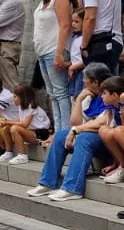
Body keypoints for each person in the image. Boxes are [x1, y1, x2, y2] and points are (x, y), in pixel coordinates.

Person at [27, 63, 114, 202]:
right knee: (61, 135)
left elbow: (103, 122)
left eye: (86, 79)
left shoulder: (111, 93)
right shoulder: (89, 96)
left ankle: (72, 188)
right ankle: (48, 183)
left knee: (83, 138)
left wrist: (76, 131)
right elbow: (75, 123)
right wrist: (79, 100)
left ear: (96, 81)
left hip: (108, 141)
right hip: (89, 134)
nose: (83, 81)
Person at [33, 0, 76, 134]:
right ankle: (58, 130)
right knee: (52, 93)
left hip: (54, 49)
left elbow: (65, 25)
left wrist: (59, 53)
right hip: (43, 51)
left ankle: (64, 131)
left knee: (60, 92)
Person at [2, 85, 50, 165]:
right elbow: (20, 120)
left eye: (15, 97)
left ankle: (22, 156)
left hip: (41, 134)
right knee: (6, 128)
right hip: (31, 132)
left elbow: (24, 124)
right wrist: (6, 122)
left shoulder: (31, 106)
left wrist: (8, 122)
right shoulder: (22, 107)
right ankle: (8, 152)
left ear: (23, 97)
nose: (13, 99)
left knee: (15, 128)